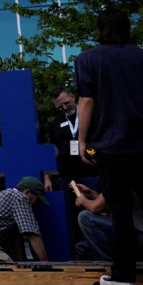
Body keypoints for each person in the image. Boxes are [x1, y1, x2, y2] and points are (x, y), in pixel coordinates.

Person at [75, 8, 143, 285]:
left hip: (111, 146)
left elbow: (86, 102)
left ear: (100, 30)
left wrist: (83, 142)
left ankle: (124, 277)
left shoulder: (88, 59)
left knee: (120, 211)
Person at [45, 86, 98, 253]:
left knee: (95, 211)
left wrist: (94, 156)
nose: (64, 108)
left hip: (92, 174)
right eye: (59, 106)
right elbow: (50, 151)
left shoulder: (91, 116)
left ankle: (98, 249)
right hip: (68, 177)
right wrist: (47, 177)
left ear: (73, 97)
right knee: (71, 217)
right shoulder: (56, 123)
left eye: (66, 103)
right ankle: (78, 251)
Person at [70, 182, 143, 262]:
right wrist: (90, 193)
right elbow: (110, 202)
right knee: (81, 248)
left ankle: (108, 268)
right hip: (132, 235)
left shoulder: (116, 174)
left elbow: (95, 207)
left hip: (142, 238)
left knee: (85, 217)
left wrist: (83, 200)